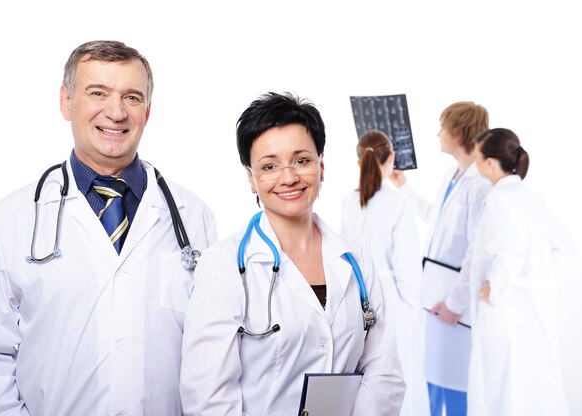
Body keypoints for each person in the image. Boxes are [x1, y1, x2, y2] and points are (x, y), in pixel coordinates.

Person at [0, 40, 217, 415]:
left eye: (132, 97)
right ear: (66, 102)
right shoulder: (10, 220)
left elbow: (211, 353)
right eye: (98, 93)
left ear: (148, 110)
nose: (116, 112)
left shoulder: (194, 217)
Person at [180, 92, 405, 415]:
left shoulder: (356, 260)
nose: (289, 177)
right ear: (251, 179)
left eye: (302, 160)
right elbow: (208, 396)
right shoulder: (224, 266)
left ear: (321, 165)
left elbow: (384, 373)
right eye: (269, 166)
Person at [390, 101, 490, 416]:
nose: (438, 134)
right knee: (431, 378)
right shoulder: (452, 175)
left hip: (455, 303)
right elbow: (436, 219)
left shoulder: (481, 185)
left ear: (458, 134)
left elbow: (478, 252)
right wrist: (404, 188)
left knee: (457, 385)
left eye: (442, 128)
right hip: (433, 297)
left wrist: (455, 304)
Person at [468, 128, 575, 415]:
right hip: (528, 306)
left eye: (477, 157)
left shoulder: (499, 200)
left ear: (490, 162)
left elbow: (507, 254)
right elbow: (565, 247)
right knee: (531, 385)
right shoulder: (531, 197)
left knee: (503, 388)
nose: (474, 162)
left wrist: (498, 290)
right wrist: (535, 275)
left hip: (504, 309)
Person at [341, 130, 429, 416]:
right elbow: (407, 271)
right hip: (393, 302)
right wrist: (417, 314)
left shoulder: (348, 202)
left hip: (356, 298)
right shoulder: (397, 202)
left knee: (365, 377)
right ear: (391, 158)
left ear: (358, 163)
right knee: (402, 378)